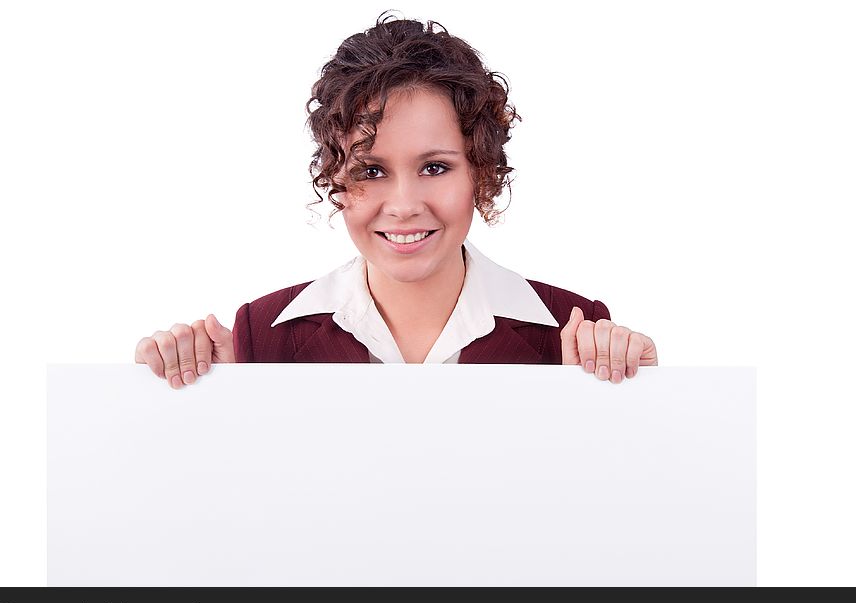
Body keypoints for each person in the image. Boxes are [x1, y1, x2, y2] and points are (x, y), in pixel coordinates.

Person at [135, 11, 658, 387]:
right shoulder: (262, 336)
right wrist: (197, 403)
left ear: (480, 170)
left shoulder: (571, 328)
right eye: (371, 171)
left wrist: (637, 406)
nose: (404, 203)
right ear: (335, 178)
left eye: (434, 167)